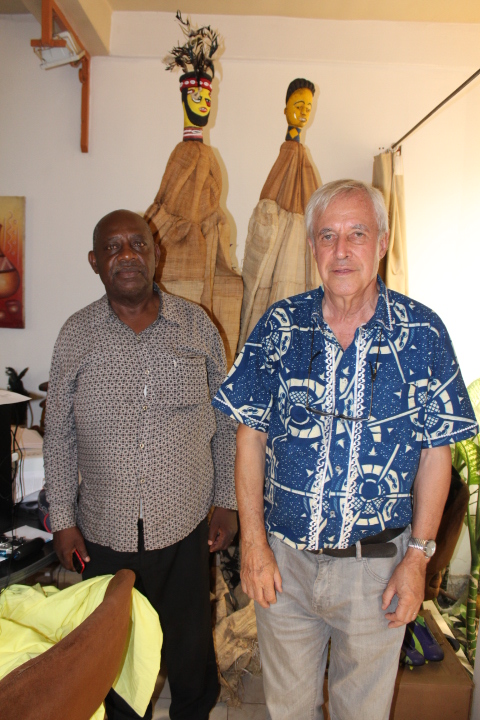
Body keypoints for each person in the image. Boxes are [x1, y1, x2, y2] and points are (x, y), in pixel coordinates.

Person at [212, 180, 478, 720]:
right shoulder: (279, 326)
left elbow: (437, 455)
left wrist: (418, 559)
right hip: (286, 565)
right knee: (289, 710)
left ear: (382, 242)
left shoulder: (423, 333)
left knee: (364, 712)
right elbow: (249, 436)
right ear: (312, 245)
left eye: (357, 233)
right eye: (327, 235)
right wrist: (254, 545)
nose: (341, 250)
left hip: (376, 571)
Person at [43, 209, 238, 720]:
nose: (127, 255)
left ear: (156, 254)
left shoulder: (196, 326)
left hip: (185, 526)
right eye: (113, 247)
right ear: (94, 262)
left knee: (190, 650)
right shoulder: (76, 335)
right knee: (115, 655)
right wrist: (62, 520)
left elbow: (227, 420)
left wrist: (227, 501)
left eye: (138, 243)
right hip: (104, 532)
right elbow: (58, 432)